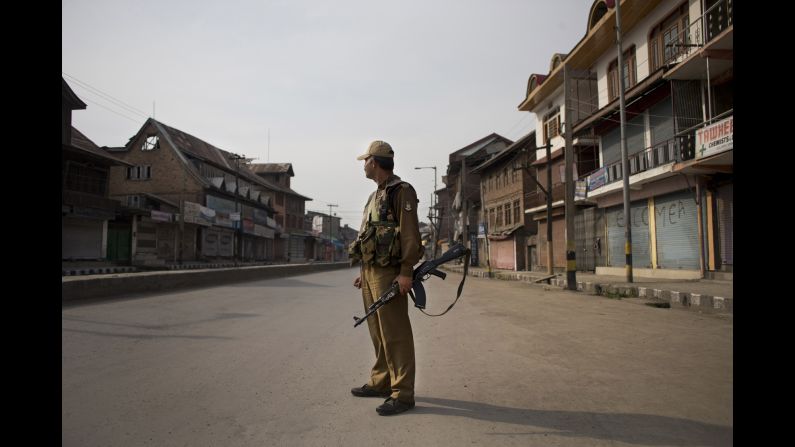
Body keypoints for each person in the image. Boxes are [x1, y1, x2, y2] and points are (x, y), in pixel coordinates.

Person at [348, 140, 423, 416]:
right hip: (370, 272)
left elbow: (410, 235)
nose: (363, 165)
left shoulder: (401, 192)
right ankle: (382, 381)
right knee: (378, 332)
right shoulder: (374, 197)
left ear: (374, 162)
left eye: (365, 160)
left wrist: (406, 272)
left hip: (390, 272)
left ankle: (403, 393)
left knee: (396, 333)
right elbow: (367, 237)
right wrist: (362, 272)